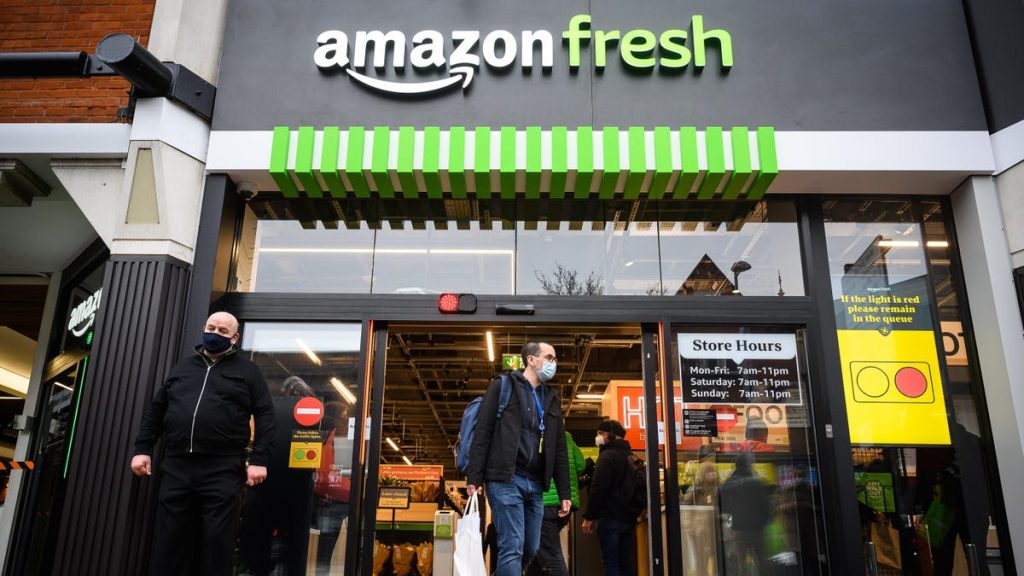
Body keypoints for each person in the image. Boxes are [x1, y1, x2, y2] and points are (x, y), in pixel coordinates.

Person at [130, 311, 276, 576]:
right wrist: (142, 450)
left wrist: (259, 460)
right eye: (211, 327)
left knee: (217, 541)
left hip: (222, 468)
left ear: (234, 338)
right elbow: (157, 410)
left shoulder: (248, 371)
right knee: (169, 539)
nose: (215, 333)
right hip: (176, 465)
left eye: (223, 331)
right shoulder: (183, 368)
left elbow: (265, 415)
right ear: (204, 328)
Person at [466, 341, 572, 576]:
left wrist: (564, 491)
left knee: (530, 547)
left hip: (535, 484)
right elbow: (483, 432)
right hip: (505, 480)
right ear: (532, 360)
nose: (554, 363)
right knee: (512, 547)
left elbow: (559, 448)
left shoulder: (550, 398)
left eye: (554, 359)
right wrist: (475, 476)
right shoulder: (503, 387)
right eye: (549, 357)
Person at [582, 419, 642, 576]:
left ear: (608, 435)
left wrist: (589, 517)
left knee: (610, 562)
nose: (598, 438)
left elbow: (598, 488)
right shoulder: (631, 456)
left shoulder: (607, 456)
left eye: (599, 434)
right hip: (629, 518)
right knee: (624, 561)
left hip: (611, 517)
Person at [527, 431, 585, 576]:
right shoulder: (566, 436)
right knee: (537, 553)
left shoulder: (536, 434)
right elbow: (580, 464)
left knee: (550, 555)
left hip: (545, 502)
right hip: (565, 503)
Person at [719, 452, 772, 576]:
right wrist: (766, 522)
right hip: (758, 529)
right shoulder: (758, 482)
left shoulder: (729, 483)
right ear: (749, 464)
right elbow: (765, 505)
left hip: (738, 529)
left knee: (740, 564)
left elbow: (725, 507)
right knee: (763, 562)